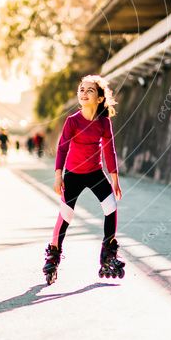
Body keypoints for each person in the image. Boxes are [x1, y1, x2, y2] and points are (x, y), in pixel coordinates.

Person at [43, 75, 124, 284]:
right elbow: (62, 147)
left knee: (111, 207)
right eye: (81, 89)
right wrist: (58, 175)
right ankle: (53, 254)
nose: (84, 93)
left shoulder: (104, 122)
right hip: (73, 174)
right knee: (66, 216)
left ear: (99, 98)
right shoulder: (72, 121)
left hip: (95, 173)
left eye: (90, 90)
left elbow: (109, 150)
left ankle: (108, 254)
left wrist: (114, 179)